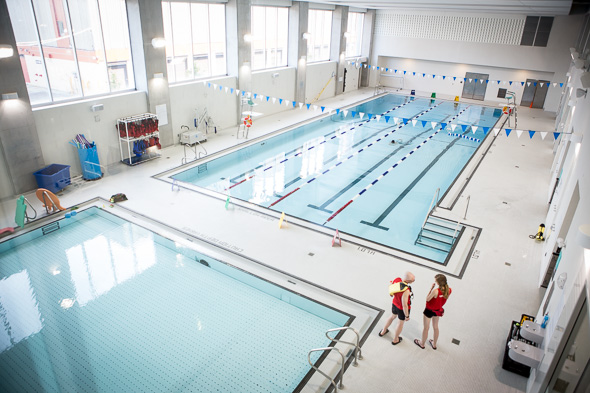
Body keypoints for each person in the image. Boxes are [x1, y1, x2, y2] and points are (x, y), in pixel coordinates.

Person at [414, 274, 452, 350]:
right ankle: (434, 344)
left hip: (429, 310)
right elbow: (445, 298)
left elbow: (427, 299)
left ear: (438, 283)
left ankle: (422, 343)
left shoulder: (436, 291)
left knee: (426, 328)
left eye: (435, 281)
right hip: (437, 310)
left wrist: (431, 288)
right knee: (435, 327)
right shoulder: (449, 290)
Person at [378, 271, 415, 345]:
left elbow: (391, 289)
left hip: (394, 304)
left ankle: (383, 331)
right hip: (401, 309)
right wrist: (407, 316)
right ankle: (395, 339)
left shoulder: (397, 280)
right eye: (412, 280)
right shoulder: (406, 290)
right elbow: (404, 305)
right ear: (408, 281)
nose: (413, 281)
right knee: (400, 323)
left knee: (392, 316)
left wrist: (392, 295)